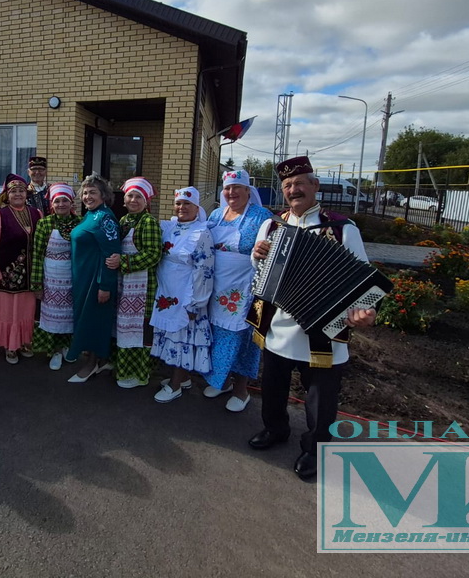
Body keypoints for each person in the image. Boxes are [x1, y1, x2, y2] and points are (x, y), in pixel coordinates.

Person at [247, 156, 376, 480]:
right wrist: (256, 254)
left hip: (323, 328)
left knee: (321, 397)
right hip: (278, 323)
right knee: (273, 386)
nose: (294, 190)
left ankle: (316, 449)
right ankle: (275, 429)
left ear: (315, 186)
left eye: (300, 183)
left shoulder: (342, 228)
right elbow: (258, 268)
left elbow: (365, 279)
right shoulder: (271, 226)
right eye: (288, 185)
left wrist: (367, 310)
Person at [201, 170, 272, 412]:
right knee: (217, 335)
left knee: (242, 339)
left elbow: (271, 251)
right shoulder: (216, 214)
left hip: (245, 289)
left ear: (247, 191)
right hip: (217, 287)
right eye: (227, 188)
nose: (231, 193)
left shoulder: (261, 217)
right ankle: (222, 382)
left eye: (237, 187)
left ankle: (241, 391)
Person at [151, 186, 215, 403]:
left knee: (182, 338)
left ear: (197, 207)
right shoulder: (169, 227)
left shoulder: (201, 233)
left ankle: (175, 385)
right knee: (171, 336)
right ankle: (183, 378)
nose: (182, 207)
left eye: (187, 203)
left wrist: (196, 303)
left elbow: (204, 271)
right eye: (178, 203)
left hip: (187, 294)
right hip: (167, 292)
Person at [104, 177, 162, 389]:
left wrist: (123, 262)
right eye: (130, 196)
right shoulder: (123, 221)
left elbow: (153, 254)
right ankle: (120, 366)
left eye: (138, 197)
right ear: (124, 199)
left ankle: (138, 373)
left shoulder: (148, 222)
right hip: (124, 284)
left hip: (142, 287)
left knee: (138, 330)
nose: (133, 200)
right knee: (122, 326)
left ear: (146, 201)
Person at [0, 173, 41, 364]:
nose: (18, 194)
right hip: (6, 273)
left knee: (26, 310)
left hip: (29, 275)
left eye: (22, 191)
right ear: (7, 194)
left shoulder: (36, 214)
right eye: (14, 191)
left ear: (26, 193)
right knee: (8, 312)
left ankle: (23, 342)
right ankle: (9, 346)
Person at [67, 174, 121, 383]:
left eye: (93, 192)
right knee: (87, 320)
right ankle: (101, 360)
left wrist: (105, 285)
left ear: (103, 195)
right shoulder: (91, 215)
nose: (88, 196)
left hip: (95, 282)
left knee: (93, 322)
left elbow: (111, 253)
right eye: (85, 192)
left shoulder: (105, 218)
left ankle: (91, 364)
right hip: (83, 279)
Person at [30, 183, 81, 370]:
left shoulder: (79, 223)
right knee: (53, 318)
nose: (61, 204)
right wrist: (37, 284)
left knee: (69, 316)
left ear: (71, 202)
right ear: (52, 204)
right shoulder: (44, 223)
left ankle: (67, 346)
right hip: (50, 279)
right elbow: (37, 254)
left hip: (72, 278)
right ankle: (55, 351)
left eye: (64, 201)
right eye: (57, 201)